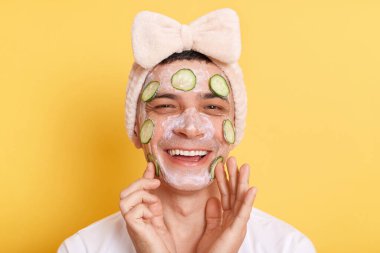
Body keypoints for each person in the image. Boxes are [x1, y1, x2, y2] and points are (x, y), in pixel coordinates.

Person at [58, 8, 316, 253]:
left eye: (212, 107)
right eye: (166, 106)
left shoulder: (288, 247)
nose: (190, 128)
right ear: (136, 128)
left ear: (234, 129)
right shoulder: (83, 248)